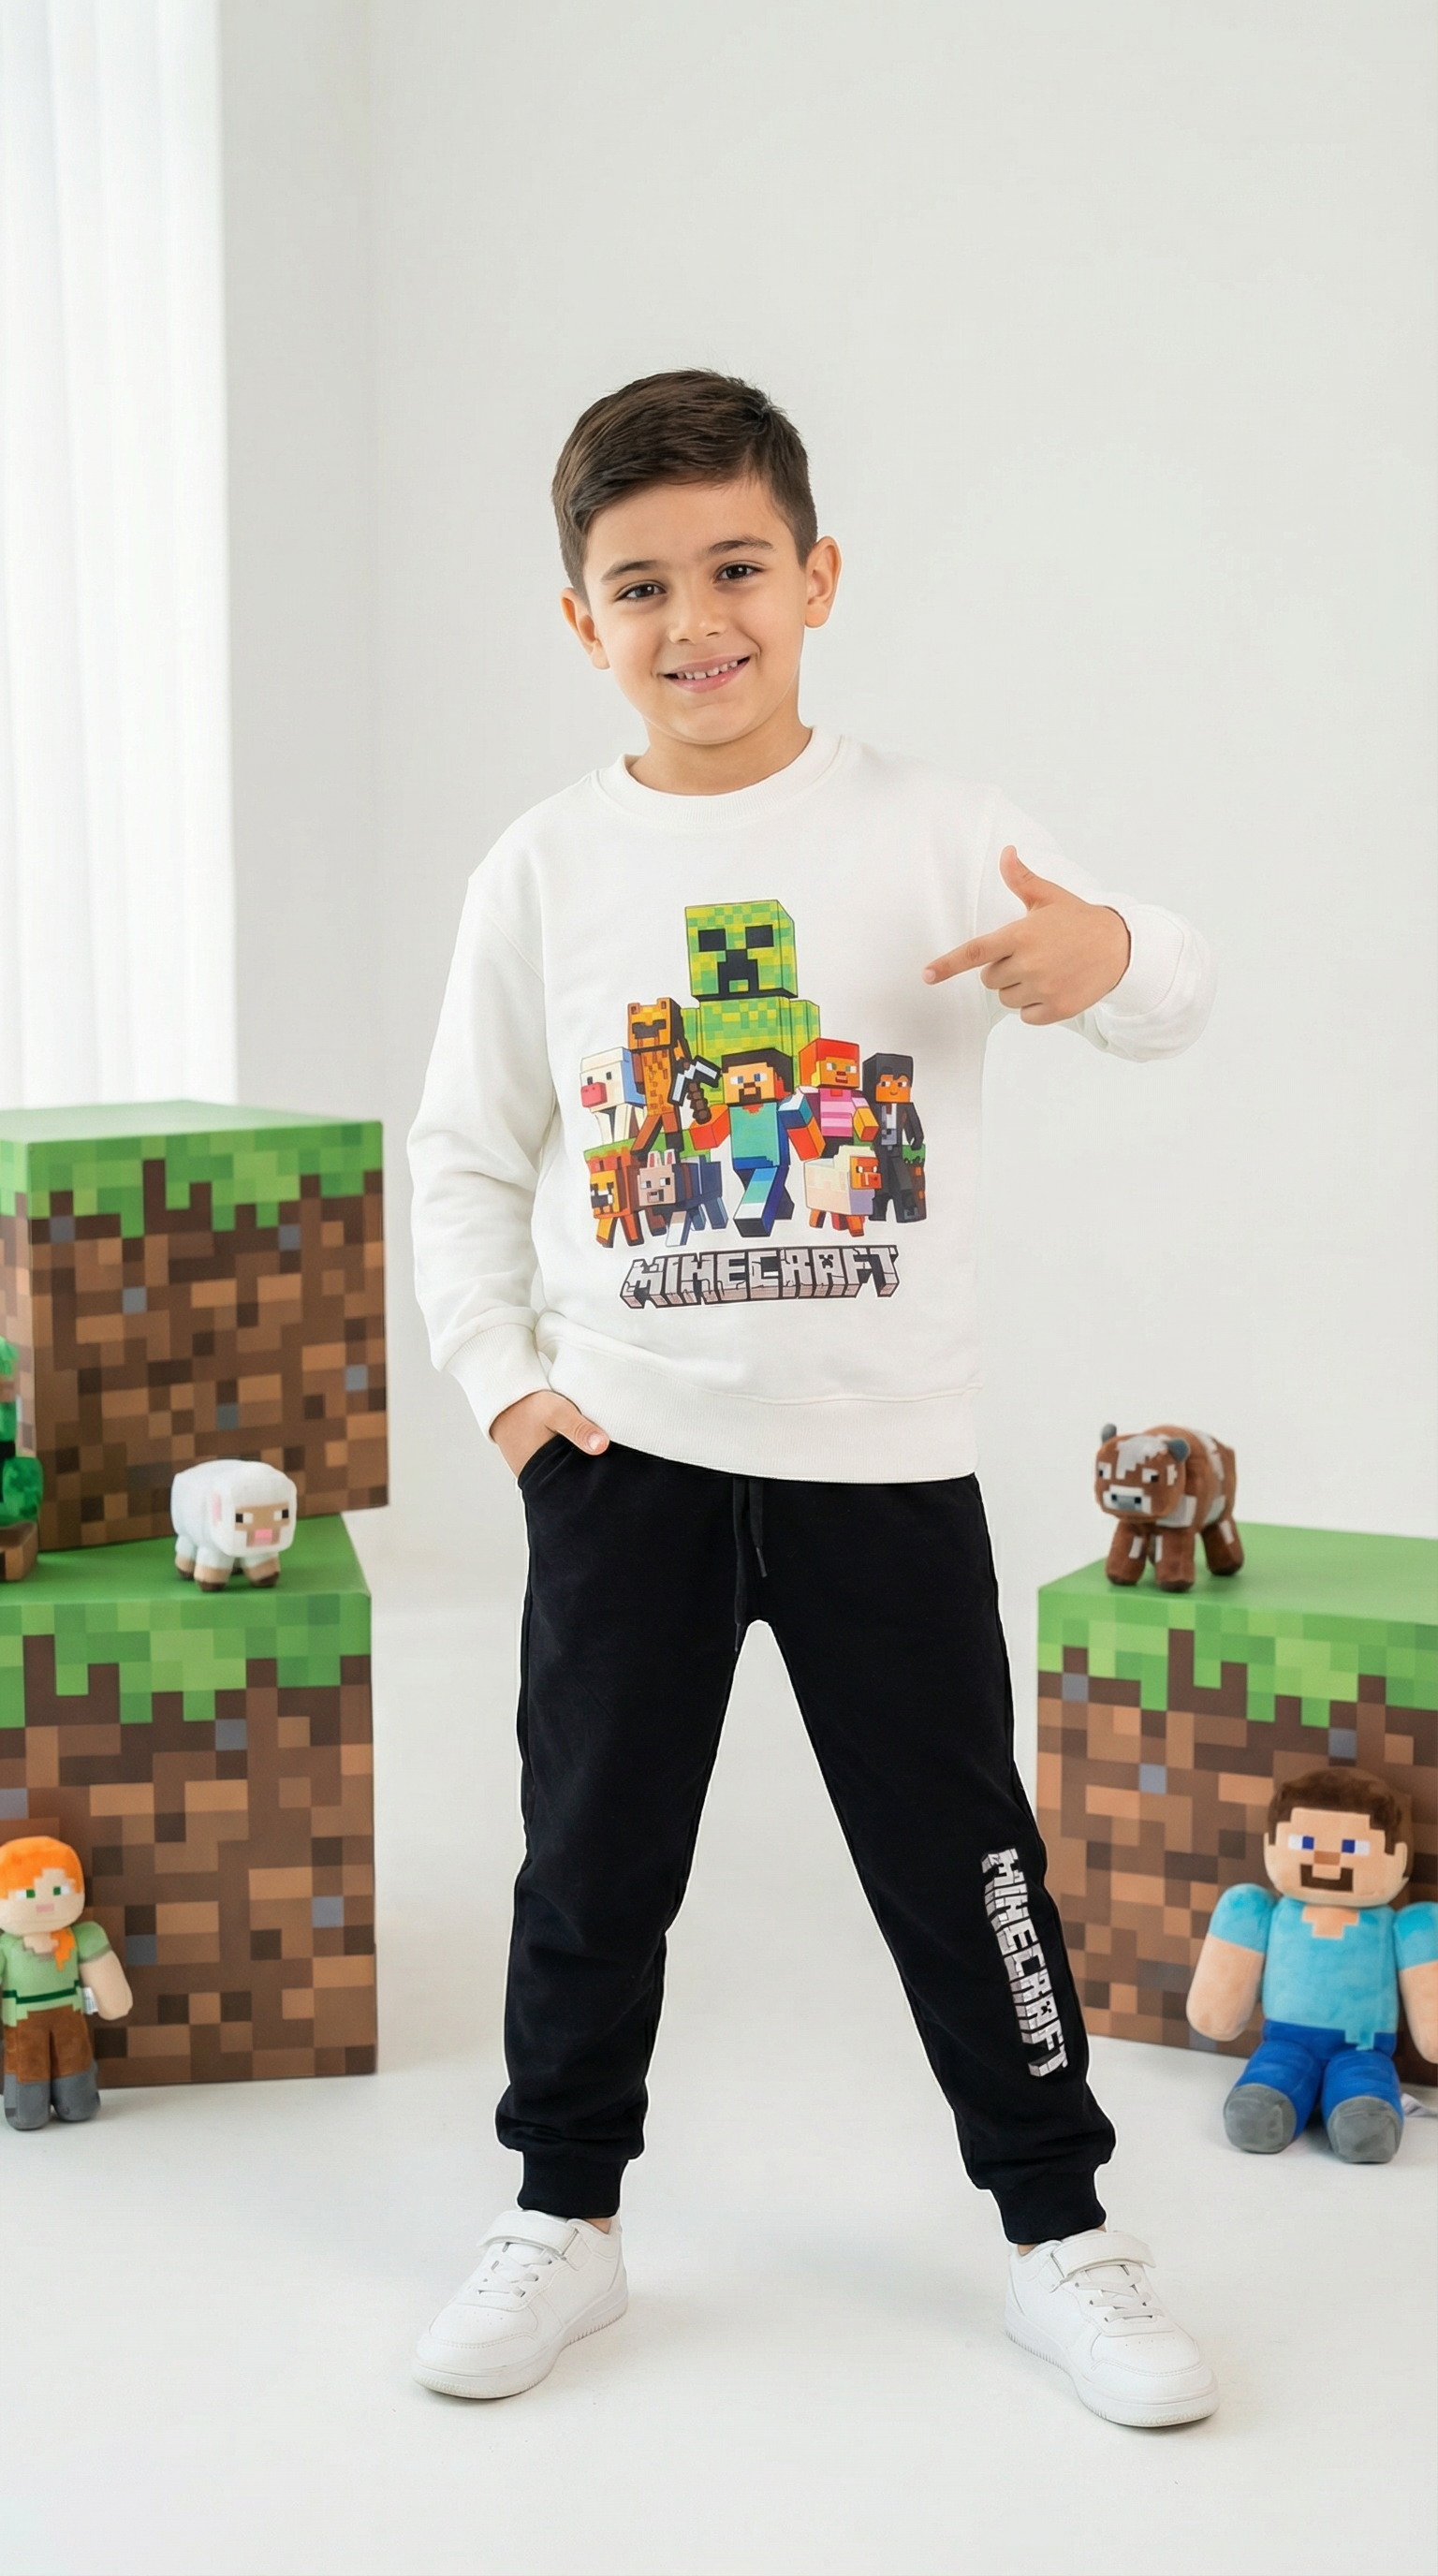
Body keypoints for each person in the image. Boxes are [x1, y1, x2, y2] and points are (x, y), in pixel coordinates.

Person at [407, 370, 1219, 2425]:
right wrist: (506, 1390)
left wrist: (1110, 952)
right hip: (628, 1461)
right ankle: (562, 2212)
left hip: (881, 1460)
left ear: (818, 576)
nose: (698, 621)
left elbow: (1169, 992)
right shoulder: (544, 868)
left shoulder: (935, 825)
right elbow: (467, 1153)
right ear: (579, 618)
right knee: (591, 1857)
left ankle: (1062, 2229)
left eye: (738, 568)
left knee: (967, 1862)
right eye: (642, 585)